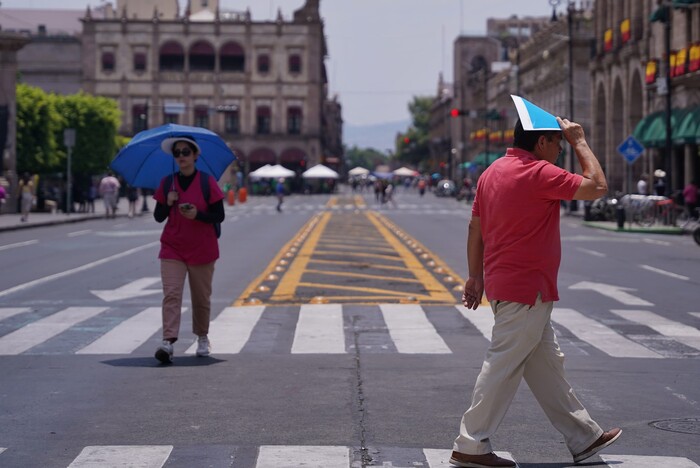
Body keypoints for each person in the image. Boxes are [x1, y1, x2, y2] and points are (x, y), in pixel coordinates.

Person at [450, 114, 621, 467]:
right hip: (527, 289)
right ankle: (470, 444)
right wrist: (580, 141)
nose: (560, 149)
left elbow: (474, 228)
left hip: (506, 286)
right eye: (557, 142)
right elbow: (598, 187)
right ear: (541, 142)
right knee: (502, 365)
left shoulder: (491, 172)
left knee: (545, 365)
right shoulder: (538, 173)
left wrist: (474, 277)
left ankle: (583, 436)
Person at [152, 136, 224, 364]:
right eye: (177, 153)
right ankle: (168, 341)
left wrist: (198, 215)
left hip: (202, 249)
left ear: (195, 156)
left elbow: (219, 215)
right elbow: (158, 217)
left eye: (185, 152)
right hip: (173, 247)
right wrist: (167, 202)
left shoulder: (207, 182)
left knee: (201, 297)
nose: (181, 156)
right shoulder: (167, 184)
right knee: (171, 294)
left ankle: (202, 336)